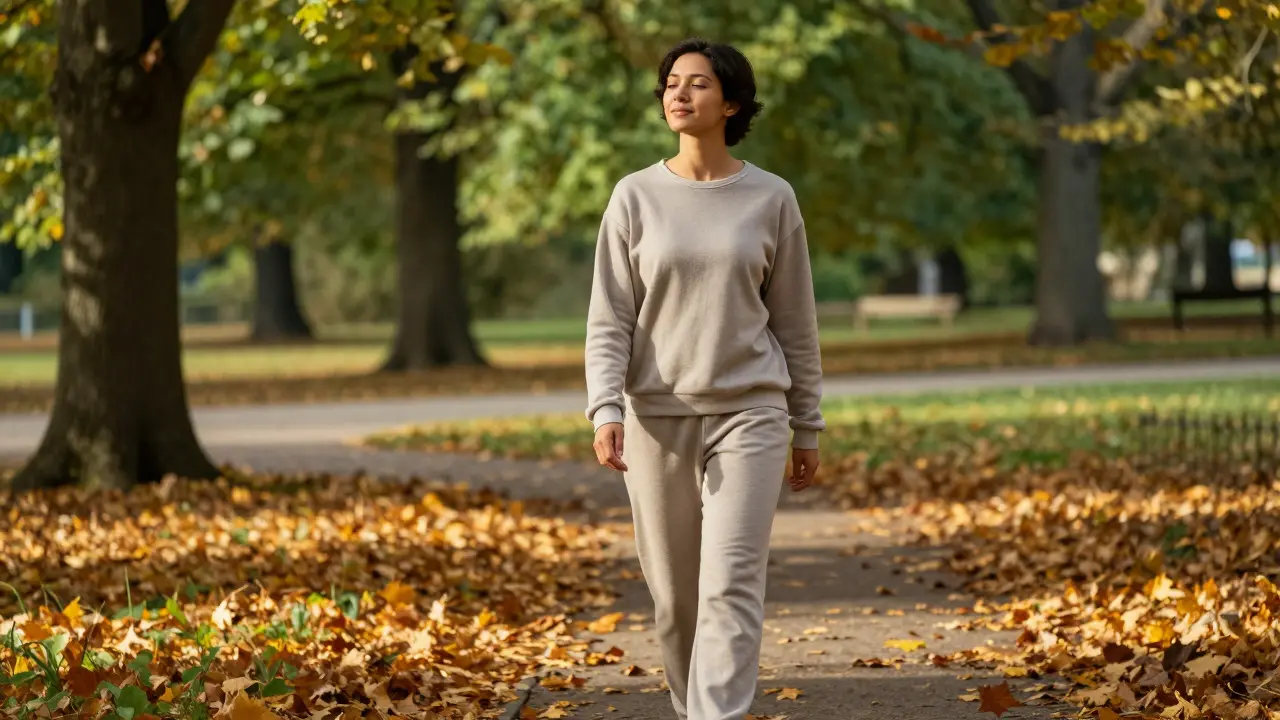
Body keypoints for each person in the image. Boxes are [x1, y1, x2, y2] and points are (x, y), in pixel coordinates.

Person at [583, 37, 826, 720]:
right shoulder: (634, 197)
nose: (678, 94)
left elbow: (796, 326)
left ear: (732, 102)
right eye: (669, 84)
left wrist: (806, 423)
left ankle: (717, 715)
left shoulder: (771, 198)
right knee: (676, 601)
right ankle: (693, 707)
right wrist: (605, 409)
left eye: (696, 84)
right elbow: (610, 318)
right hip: (654, 417)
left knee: (731, 585)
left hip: (751, 411)